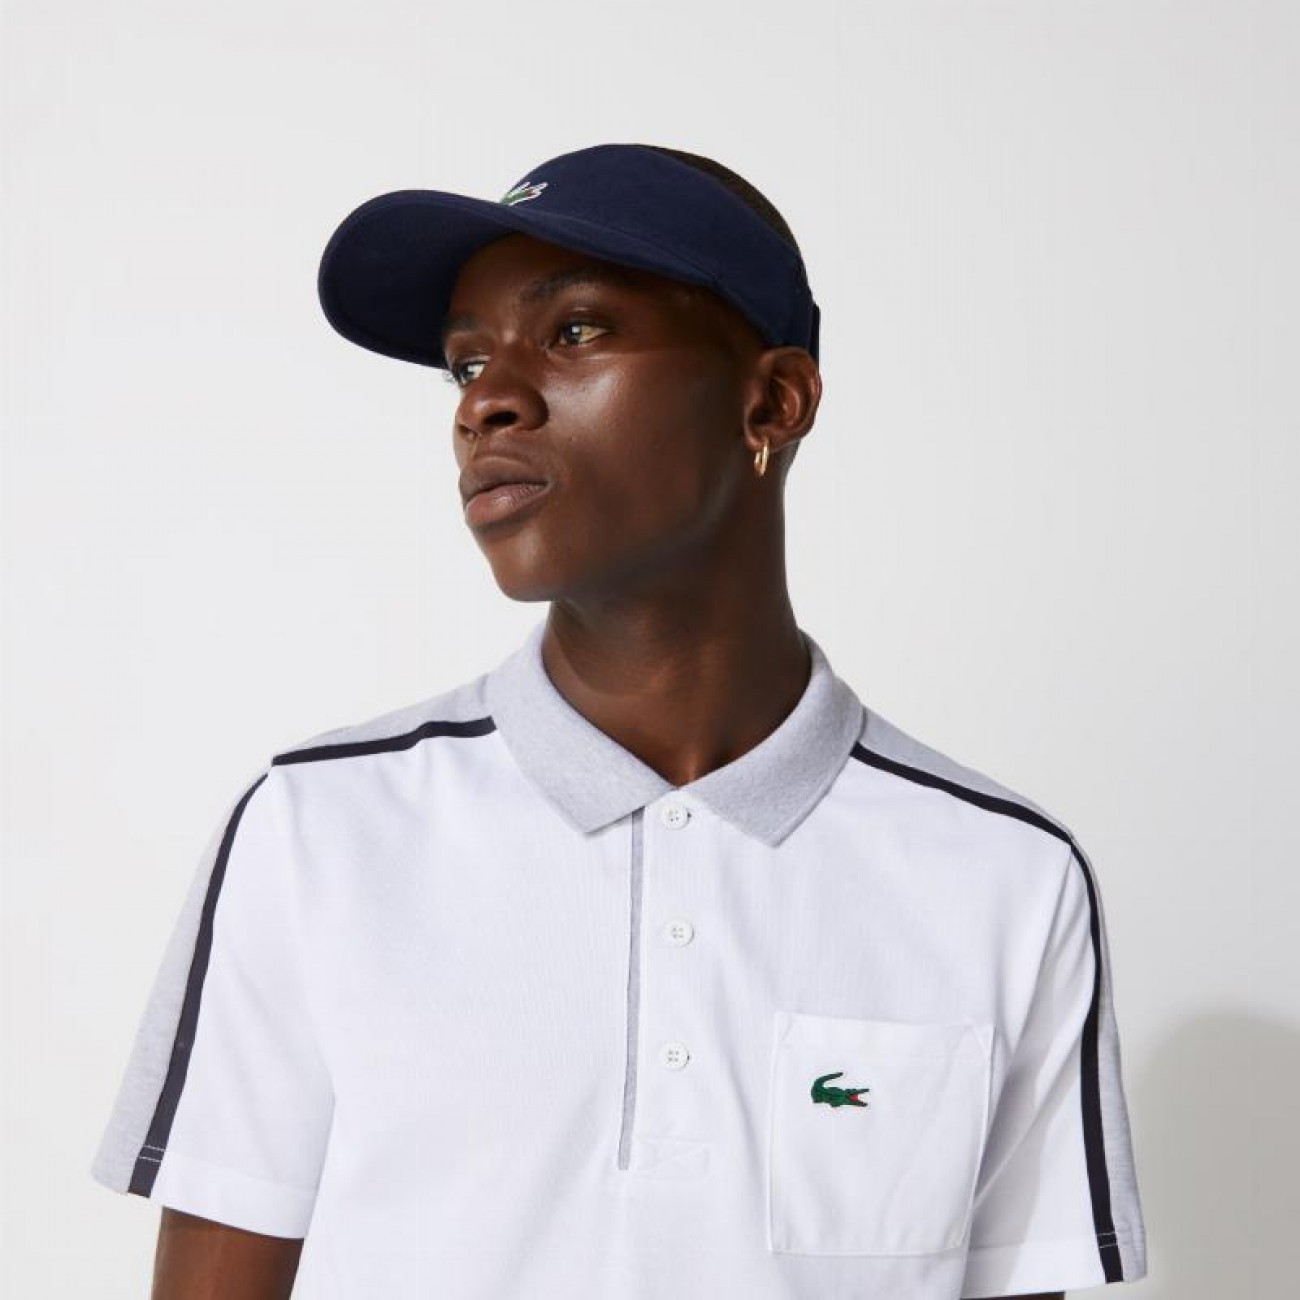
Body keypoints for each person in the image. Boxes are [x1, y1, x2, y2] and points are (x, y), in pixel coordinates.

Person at [91, 142, 1148, 1300]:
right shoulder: (318, 833)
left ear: (772, 400)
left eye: (575, 330)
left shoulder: (1001, 878)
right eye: (465, 363)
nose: (486, 401)